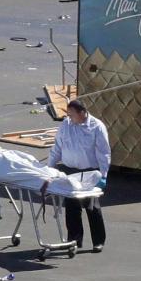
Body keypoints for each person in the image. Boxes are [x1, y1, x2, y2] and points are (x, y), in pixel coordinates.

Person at [48, 99, 110, 252]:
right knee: (72, 207)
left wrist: (103, 176)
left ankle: (98, 241)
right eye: (68, 114)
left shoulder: (97, 127)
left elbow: (104, 153)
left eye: (72, 114)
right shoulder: (66, 125)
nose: (69, 118)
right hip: (70, 171)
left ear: (82, 113)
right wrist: (48, 168)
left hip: (89, 172)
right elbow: (57, 147)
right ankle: (74, 241)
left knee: (92, 207)